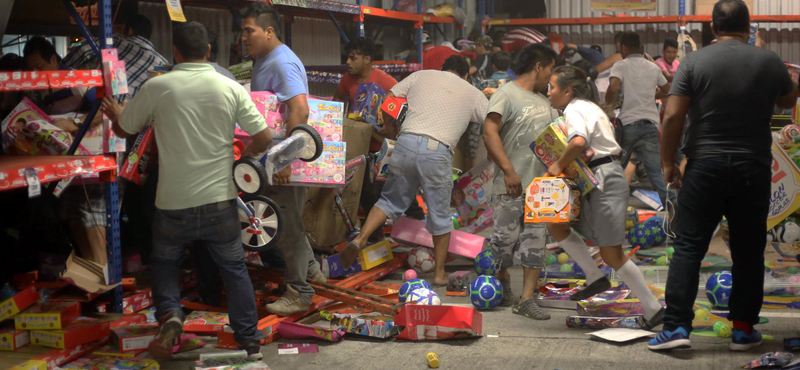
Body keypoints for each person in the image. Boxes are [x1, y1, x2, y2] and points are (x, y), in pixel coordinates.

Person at [102, 21, 272, 360]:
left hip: (172, 202)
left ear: (175, 52)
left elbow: (123, 130)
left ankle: (172, 316)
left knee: (165, 261)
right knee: (233, 268)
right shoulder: (229, 87)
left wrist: (119, 113)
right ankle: (249, 341)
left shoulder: (158, 86)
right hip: (219, 200)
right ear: (209, 51)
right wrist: (242, 159)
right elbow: (264, 137)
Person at [650, 0, 798, 351]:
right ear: (749, 27)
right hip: (753, 168)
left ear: (713, 28)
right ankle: (743, 330)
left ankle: (676, 330)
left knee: (689, 247)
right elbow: (790, 100)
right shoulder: (768, 60)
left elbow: (672, 118)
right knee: (749, 251)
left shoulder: (694, 61)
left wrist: (668, 162)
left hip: (705, 166)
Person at [340, 56, 488, 285]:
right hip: (437, 151)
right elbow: (492, 121)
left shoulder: (421, 75)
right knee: (440, 216)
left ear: (442, 68)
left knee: (388, 201)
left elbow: (388, 101)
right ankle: (439, 274)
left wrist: (391, 130)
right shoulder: (472, 92)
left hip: (406, 143)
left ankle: (360, 239)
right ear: (466, 75)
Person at [545, 65, 665, 330]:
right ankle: (593, 275)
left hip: (604, 180)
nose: (549, 92)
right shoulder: (587, 107)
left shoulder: (575, 109)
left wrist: (556, 166)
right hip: (595, 179)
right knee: (556, 223)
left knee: (612, 253)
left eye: (552, 87)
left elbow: (577, 142)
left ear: (567, 91)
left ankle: (654, 309)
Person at [240, 2, 327, 317]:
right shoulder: (265, 60)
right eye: (242, 32)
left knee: (285, 228)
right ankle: (313, 272)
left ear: (269, 30)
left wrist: (285, 159)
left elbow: (299, 109)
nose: (244, 38)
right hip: (272, 159)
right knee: (288, 223)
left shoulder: (282, 62)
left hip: (281, 161)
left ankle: (299, 292)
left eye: (249, 31)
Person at [483, 44, 557, 319]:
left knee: (535, 244)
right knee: (503, 244)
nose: (551, 76)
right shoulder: (506, 94)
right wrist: (508, 170)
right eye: (550, 69)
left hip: (541, 188)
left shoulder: (546, 101)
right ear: (539, 66)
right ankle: (502, 280)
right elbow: (489, 132)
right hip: (510, 186)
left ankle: (526, 300)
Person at [605, 31, 673, 206]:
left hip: (628, 126)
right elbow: (666, 90)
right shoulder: (652, 67)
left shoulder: (621, 66)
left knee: (616, 168)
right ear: (640, 47)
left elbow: (613, 88)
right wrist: (651, 96)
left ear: (624, 47)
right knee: (656, 174)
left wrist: (608, 104)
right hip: (650, 126)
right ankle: (674, 207)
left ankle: (608, 204)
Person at [64, 14, 168, 102]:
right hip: (129, 116)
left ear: (130, 30)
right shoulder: (162, 63)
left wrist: (63, 67)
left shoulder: (116, 40)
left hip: (102, 104)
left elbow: (84, 50)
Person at [334, 37, 397, 110]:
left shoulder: (384, 79)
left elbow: (404, 98)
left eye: (353, 58)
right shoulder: (347, 78)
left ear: (367, 59)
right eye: (347, 58)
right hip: (353, 120)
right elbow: (338, 97)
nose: (347, 62)